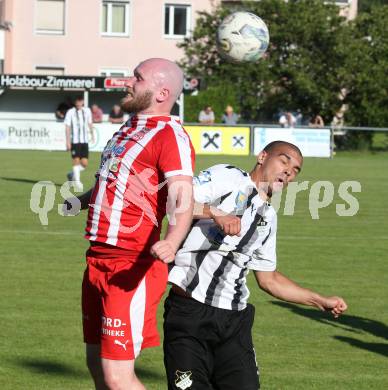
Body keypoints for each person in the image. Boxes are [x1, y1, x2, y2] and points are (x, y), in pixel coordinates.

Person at [164, 141, 348, 390]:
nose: (288, 172)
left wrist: (320, 301)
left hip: (234, 321)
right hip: (190, 314)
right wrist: (215, 213)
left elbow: (268, 279)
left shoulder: (268, 218)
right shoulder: (229, 177)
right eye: (284, 161)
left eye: (295, 170)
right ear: (262, 157)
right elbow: (175, 199)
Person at [65, 58, 195, 390]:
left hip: (131, 265)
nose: (128, 82)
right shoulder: (128, 129)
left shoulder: (170, 134)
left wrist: (173, 240)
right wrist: (81, 200)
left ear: (163, 92)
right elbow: (116, 185)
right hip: (97, 260)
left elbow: (181, 194)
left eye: (137, 78)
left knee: (118, 377)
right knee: (97, 366)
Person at [64, 96, 95, 190]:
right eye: (76, 102)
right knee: (76, 161)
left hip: (84, 141)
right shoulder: (71, 112)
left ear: (82, 102)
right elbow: (67, 126)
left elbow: (90, 123)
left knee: (84, 163)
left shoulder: (87, 111)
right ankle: (77, 182)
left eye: (80, 101)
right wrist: (68, 141)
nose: (78, 103)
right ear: (75, 102)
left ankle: (71, 174)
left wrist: (92, 134)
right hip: (75, 141)